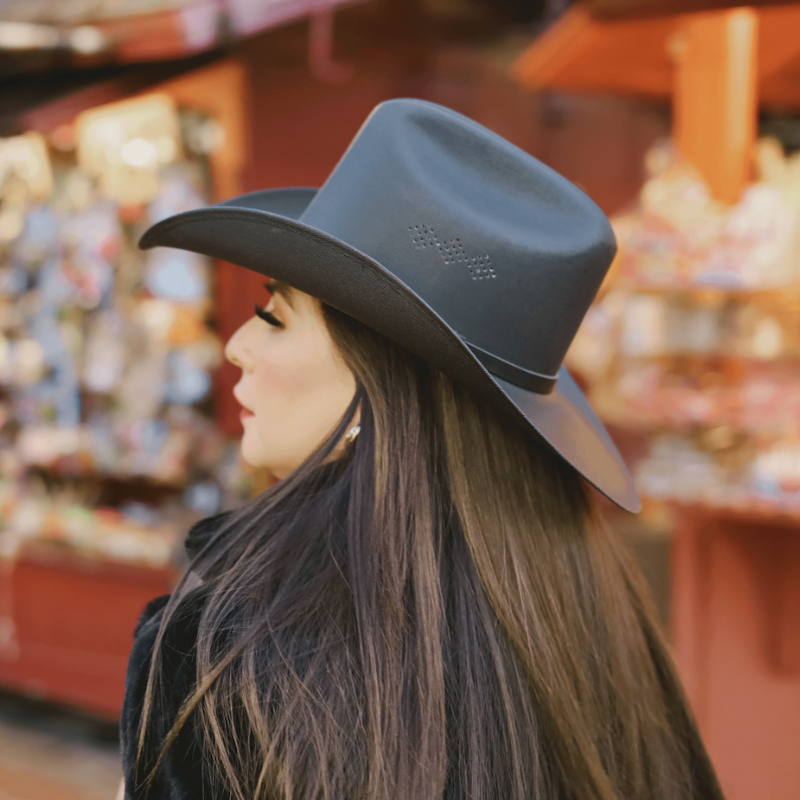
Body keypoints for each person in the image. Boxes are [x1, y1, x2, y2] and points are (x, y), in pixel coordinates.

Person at [118, 99, 725, 800]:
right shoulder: (602, 627)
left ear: (380, 385)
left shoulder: (226, 659)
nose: (237, 346)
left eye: (273, 317)